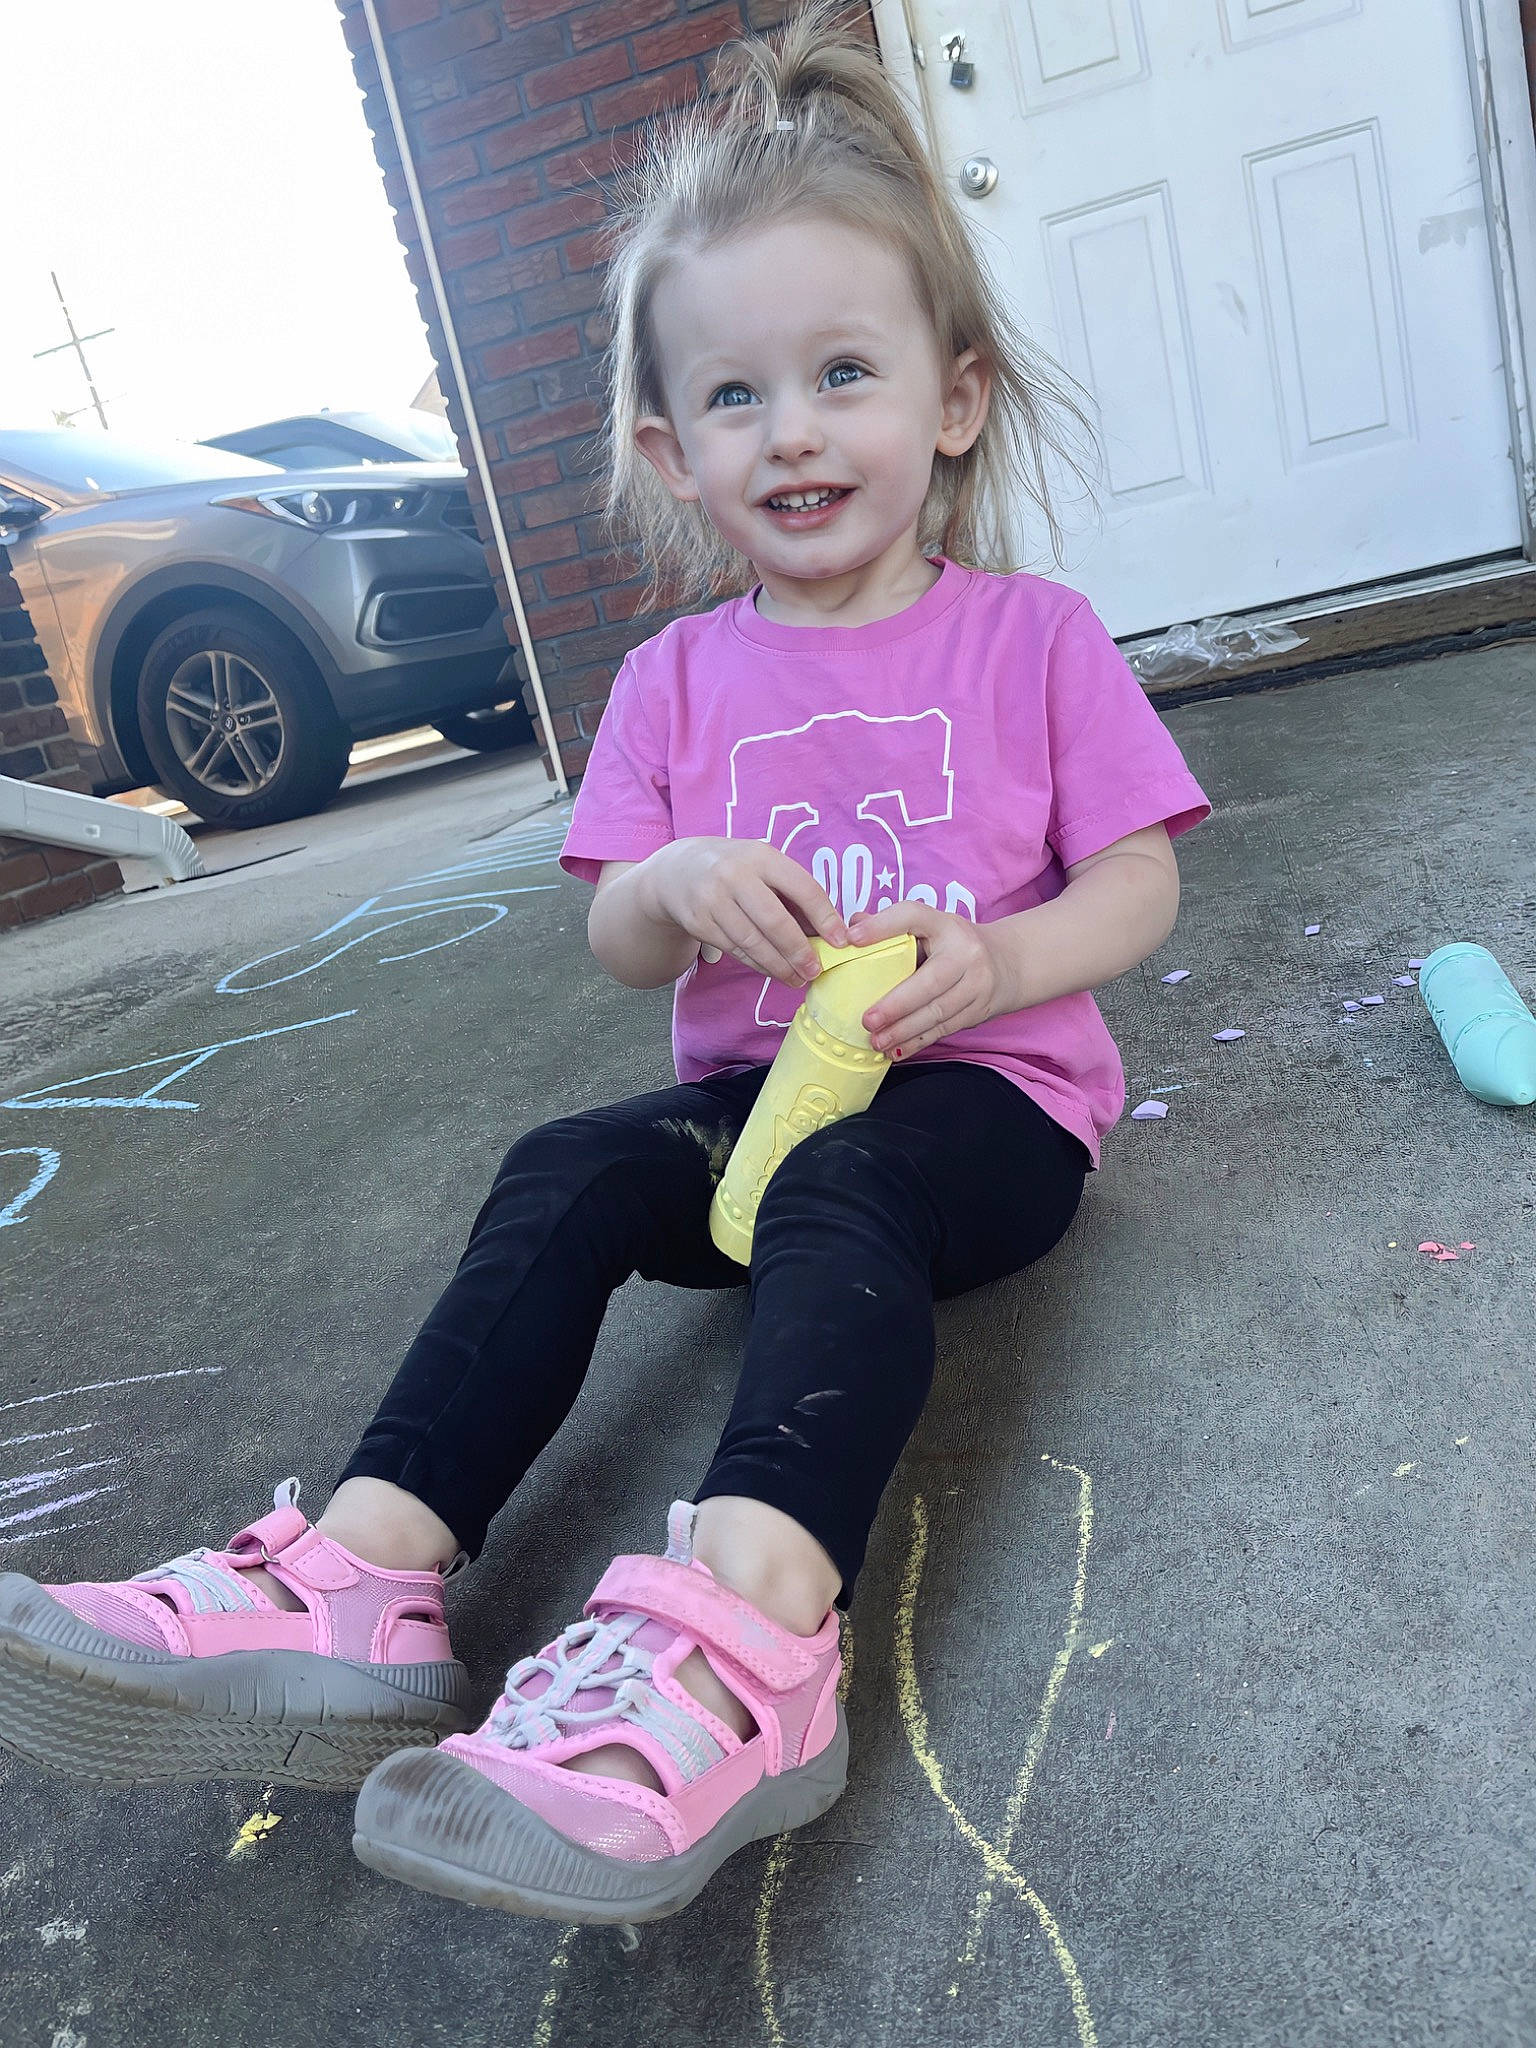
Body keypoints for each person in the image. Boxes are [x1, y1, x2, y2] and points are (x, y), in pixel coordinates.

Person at [0, 3, 1210, 1925]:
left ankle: (750, 1634)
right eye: (735, 395)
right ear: (670, 448)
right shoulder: (669, 682)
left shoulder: (1032, 638)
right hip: (754, 1110)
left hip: (985, 1112)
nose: (792, 428)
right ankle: (366, 1578)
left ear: (953, 399)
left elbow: (1138, 882)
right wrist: (679, 878)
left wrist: (999, 959)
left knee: (850, 1188)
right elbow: (611, 930)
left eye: (843, 373)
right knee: (566, 1166)